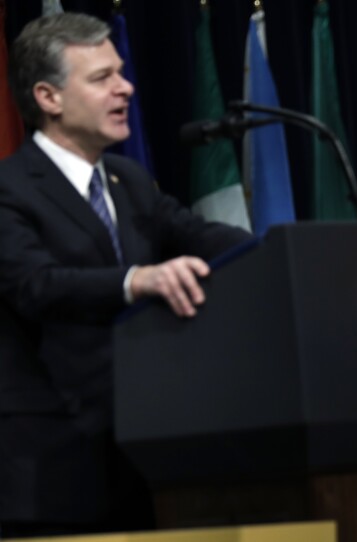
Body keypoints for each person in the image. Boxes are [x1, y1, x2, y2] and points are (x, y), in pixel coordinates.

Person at [0, 12, 252, 536]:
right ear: (48, 98)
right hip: (49, 473)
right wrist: (136, 280)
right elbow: (34, 284)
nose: (127, 87)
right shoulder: (10, 187)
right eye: (102, 78)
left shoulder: (128, 180)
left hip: (141, 459)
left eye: (121, 72)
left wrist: (288, 248)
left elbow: (200, 235)